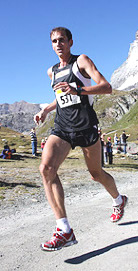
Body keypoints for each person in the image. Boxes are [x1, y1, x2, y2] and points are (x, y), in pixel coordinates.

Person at [34, 27, 127, 251]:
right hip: (63, 127)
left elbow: (107, 88)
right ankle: (64, 230)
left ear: (70, 42)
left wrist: (78, 90)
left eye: (62, 40)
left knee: (96, 174)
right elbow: (60, 96)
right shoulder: (52, 71)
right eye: (54, 41)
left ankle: (118, 200)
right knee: (46, 168)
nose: (58, 44)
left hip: (86, 127)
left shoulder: (82, 61)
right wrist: (46, 109)